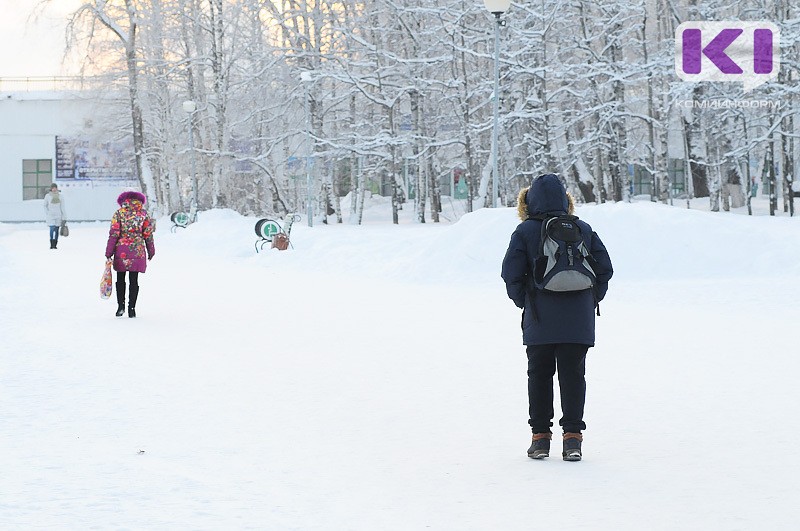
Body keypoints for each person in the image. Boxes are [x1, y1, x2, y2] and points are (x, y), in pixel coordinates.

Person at [501, 174, 613, 461]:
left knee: (539, 375)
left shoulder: (525, 232)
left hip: (539, 318)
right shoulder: (583, 228)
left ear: (527, 202)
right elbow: (605, 269)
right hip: (579, 320)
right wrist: (590, 300)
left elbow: (510, 273)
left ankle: (540, 439)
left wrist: (524, 301)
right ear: (566, 201)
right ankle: (573, 439)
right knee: (573, 376)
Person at [105, 191, 156, 318]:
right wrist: (151, 250)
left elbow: (114, 234)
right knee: (134, 279)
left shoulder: (119, 213)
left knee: (120, 278)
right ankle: (132, 308)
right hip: (137, 249)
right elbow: (148, 234)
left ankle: (120, 306)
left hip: (121, 250)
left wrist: (109, 252)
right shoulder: (143, 214)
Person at [44, 183, 66, 249]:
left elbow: (62, 207)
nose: (54, 189)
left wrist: (64, 216)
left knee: (56, 230)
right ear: (51, 189)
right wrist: (47, 212)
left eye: (55, 188)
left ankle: (55, 244)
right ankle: (51, 243)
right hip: (51, 215)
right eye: (53, 188)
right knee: (51, 228)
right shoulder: (47, 196)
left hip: (58, 215)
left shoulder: (60, 196)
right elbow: (45, 205)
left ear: (57, 188)